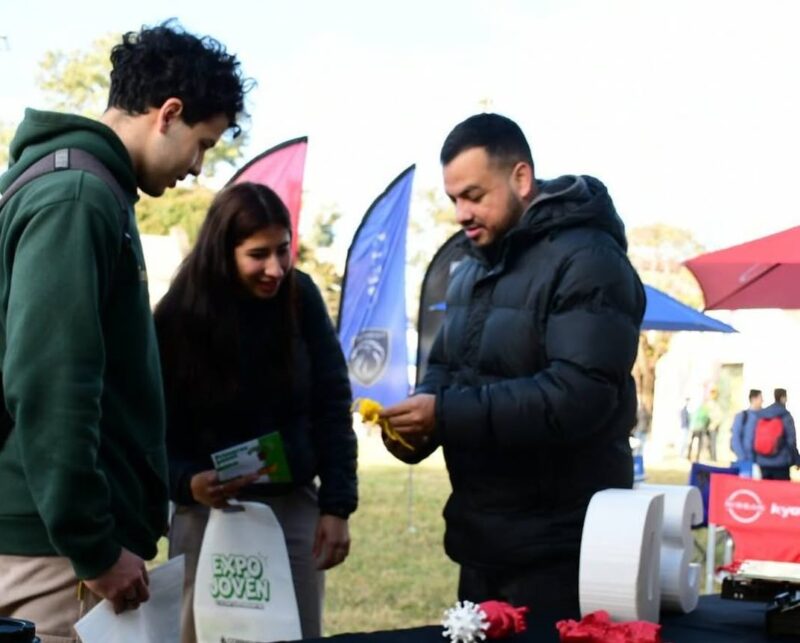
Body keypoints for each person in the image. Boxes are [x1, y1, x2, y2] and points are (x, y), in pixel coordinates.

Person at [0, 21, 248, 642]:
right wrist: (94, 546)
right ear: (169, 113)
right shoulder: (76, 196)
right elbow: (52, 382)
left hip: (59, 540)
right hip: (52, 550)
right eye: (203, 144)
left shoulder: (93, 188)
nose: (198, 167)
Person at [380, 113, 645, 618]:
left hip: (562, 551)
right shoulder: (469, 266)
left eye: (473, 196)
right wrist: (415, 426)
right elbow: (444, 369)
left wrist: (445, 414)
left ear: (521, 178)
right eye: (453, 199)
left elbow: (577, 397)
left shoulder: (589, 259)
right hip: (481, 542)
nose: (461, 214)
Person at [154, 182, 357, 641]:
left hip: (291, 506)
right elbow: (154, 429)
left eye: (283, 250)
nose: (275, 268)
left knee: (295, 629)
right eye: (257, 255)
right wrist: (187, 480)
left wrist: (337, 506)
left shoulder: (301, 297)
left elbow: (331, 402)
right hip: (205, 514)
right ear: (223, 253)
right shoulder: (177, 317)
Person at [742, 388, 800, 481]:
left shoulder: (762, 415)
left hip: (762, 462)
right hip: (781, 463)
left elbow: (752, 438)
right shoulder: (785, 415)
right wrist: (797, 460)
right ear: (783, 398)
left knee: (766, 489)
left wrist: (753, 458)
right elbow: (791, 441)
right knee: (781, 489)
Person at [730, 389, 762, 463]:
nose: (762, 401)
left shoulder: (764, 416)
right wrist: (743, 458)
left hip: (761, 461)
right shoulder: (742, 416)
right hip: (746, 459)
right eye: (760, 398)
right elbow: (735, 439)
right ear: (753, 399)